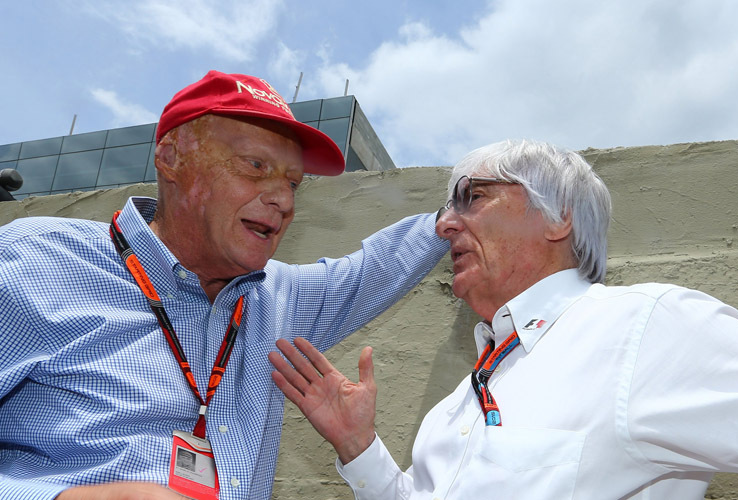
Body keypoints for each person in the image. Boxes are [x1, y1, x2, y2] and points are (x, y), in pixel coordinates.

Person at [0, 71, 449, 500]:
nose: (284, 199)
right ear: (172, 157)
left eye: (294, 182)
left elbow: (376, 268)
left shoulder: (275, 299)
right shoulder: (33, 263)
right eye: (255, 166)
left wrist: (457, 215)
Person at [270, 139, 738, 499]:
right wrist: (360, 448)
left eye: (471, 197)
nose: (444, 224)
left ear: (559, 217)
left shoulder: (648, 329)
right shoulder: (457, 403)